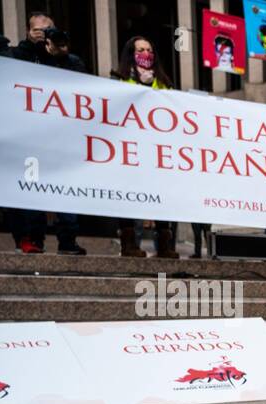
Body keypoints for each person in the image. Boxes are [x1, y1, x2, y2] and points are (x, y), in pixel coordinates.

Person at [9, 15, 87, 255]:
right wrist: (29, 46)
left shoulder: (68, 61)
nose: (45, 36)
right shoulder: (22, 54)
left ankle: (67, 240)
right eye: (39, 31)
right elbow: (9, 71)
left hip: (62, 138)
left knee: (65, 188)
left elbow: (83, 86)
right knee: (33, 189)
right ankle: (34, 239)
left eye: (49, 31)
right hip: (30, 137)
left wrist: (60, 55)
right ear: (29, 32)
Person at [111, 37, 177, 259]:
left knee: (162, 195)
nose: (146, 53)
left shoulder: (165, 82)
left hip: (157, 149)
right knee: (128, 195)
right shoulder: (118, 79)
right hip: (129, 148)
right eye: (140, 50)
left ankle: (165, 245)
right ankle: (129, 245)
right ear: (131, 53)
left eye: (149, 49)